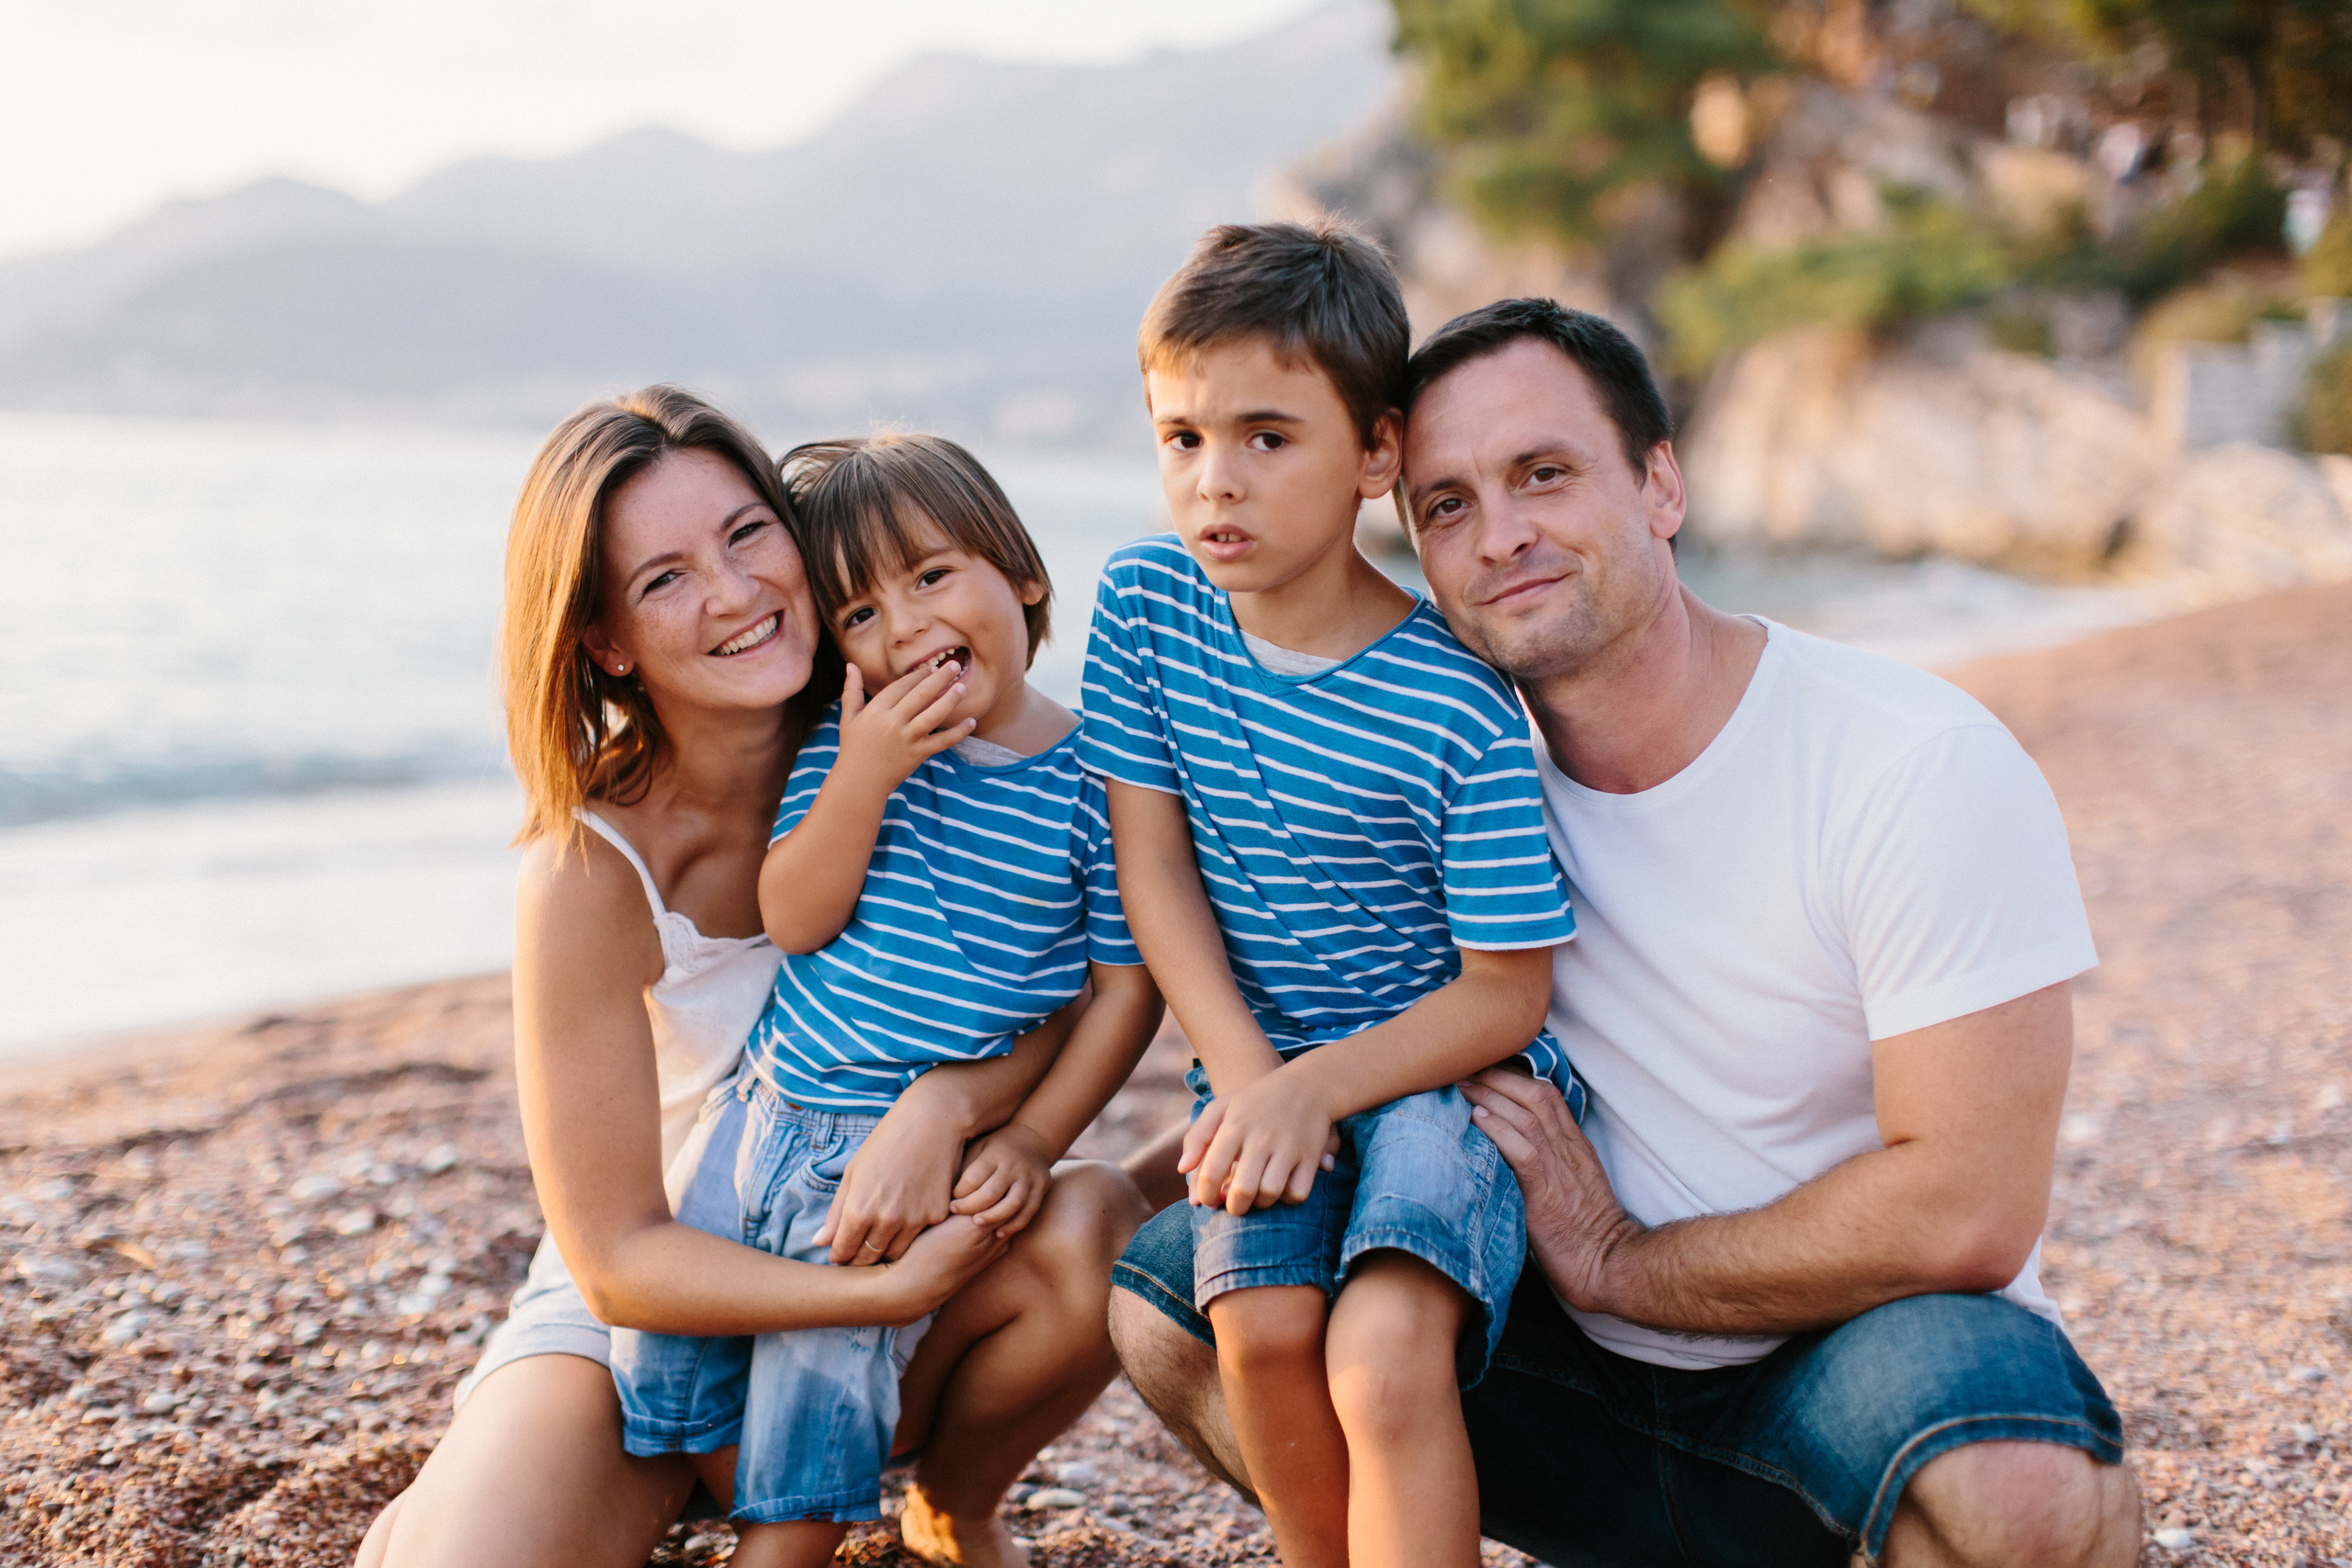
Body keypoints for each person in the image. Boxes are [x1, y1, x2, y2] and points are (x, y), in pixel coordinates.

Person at [1107, 299, 2143, 1567]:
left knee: (2023, 1490)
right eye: (1447, 504)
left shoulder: (1908, 761)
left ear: (1662, 481)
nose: (1502, 536)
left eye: (1544, 474)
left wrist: (1619, 1259)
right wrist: (1155, 1159)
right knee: (1175, 1294)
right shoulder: (1452, 766)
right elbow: (1363, 1014)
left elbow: (1966, 1207)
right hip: (1557, 1369)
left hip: (1843, 1348)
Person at [357, 389, 1148, 1568]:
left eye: (745, 535)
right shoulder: (590, 867)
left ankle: (946, 1502)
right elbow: (617, 1258)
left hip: (885, 1242)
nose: (732, 594)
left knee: (1096, 1224)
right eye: (665, 578)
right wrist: (864, 1297)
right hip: (662, 1297)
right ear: (606, 640)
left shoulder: (931, 744)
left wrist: (954, 1104)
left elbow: (1065, 983)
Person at [1079, 223, 1583, 1568]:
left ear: (1375, 453)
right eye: (1181, 438)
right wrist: (1252, 1078)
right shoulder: (1143, 605)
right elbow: (1153, 867)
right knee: (1256, 1319)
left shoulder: (1457, 704)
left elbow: (1508, 987)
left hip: (1448, 1078)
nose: (1214, 483)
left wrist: (1314, 1089)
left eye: (1265, 437)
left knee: (1379, 1345)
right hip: (1259, 1068)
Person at [605, 434, 1164, 1568]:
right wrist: (863, 775)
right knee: (665, 1409)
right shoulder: (846, 749)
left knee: (813, 1437)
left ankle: (833, 1528)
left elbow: (1123, 993)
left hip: (886, 1172)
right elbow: (796, 914)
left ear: (1022, 575)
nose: (904, 628)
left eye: (931, 576)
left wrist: (1032, 1136)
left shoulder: (1099, 779)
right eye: (858, 612)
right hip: (756, 1123)